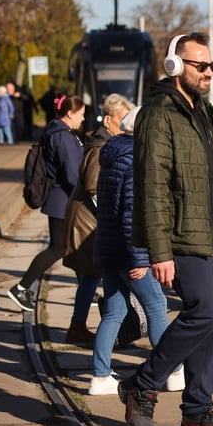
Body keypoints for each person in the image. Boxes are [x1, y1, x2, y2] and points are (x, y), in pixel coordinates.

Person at [119, 32, 213, 426]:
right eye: (200, 65)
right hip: (179, 235)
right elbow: (152, 185)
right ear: (175, 66)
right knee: (205, 312)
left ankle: (197, 413)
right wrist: (158, 250)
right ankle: (143, 384)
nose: (208, 72)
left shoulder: (202, 111)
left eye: (212, 66)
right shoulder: (159, 113)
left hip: (211, 233)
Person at [90, 106, 184, 396]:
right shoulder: (135, 162)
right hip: (130, 253)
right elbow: (133, 214)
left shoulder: (112, 157)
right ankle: (173, 372)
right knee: (156, 306)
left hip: (110, 248)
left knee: (114, 313)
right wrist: (142, 258)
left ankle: (100, 376)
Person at [63, 94, 134, 344]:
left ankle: (80, 324)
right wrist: (112, 217)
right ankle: (78, 326)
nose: (125, 125)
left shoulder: (105, 143)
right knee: (91, 275)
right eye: (121, 119)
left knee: (92, 276)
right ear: (107, 120)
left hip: (90, 221)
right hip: (87, 222)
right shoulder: (100, 147)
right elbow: (95, 190)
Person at [7, 95, 85, 312]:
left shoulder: (59, 132)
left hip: (62, 200)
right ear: (70, 113)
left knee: (74, 250)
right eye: (81, 113)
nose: (84, 118)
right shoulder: (63, 136)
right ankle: (21, 288)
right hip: (63, 201)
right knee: (57, 248)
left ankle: (86, 289)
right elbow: (72, 174)